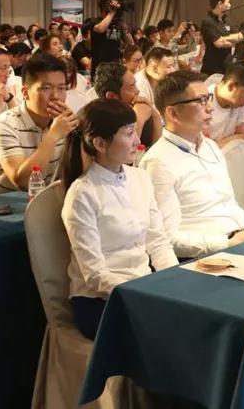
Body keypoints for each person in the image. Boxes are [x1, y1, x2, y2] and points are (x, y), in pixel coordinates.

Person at [60, 99, 177, 340]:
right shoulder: (83, 193)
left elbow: (157, 241)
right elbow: (95, 275)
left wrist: (175, 279)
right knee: (174, 331)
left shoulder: (140, 178)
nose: (137, 140)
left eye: (135, 130)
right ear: (100, 143)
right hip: (99, 301)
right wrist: (143, 294)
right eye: (128, 133)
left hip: (143, 286)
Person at [140, 70, 244, 259]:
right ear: (173, 113)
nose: (210, 108)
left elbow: (228, 203)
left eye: (208, 98)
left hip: (235, 243)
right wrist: (226, 243)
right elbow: (166, 239)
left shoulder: (210, 147)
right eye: (200, 101)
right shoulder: (158, 162)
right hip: (201, 259)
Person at [0, 54, 77, 192]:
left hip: (45, 199)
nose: (55, 96)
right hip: (7, 202)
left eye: (61, 88)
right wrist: (53, 136)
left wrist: (76, 134)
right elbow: (23, 182)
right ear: (25, 93)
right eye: (46, 88)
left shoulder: (63, 123)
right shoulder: (5, 125)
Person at [93, 62, 162, 147]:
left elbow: (157, 147)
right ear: (111, 96)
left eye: (135, 84)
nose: (137, 91)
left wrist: (155, 116)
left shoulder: (135, 108)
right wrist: (138, 120)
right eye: (131, 86)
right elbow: (125, 153)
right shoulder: (101, 124)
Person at [208, 61, 244, 146]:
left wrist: (217, 145)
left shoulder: (241, 104)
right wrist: (234, 140)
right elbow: (200, 148)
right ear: (231, 86)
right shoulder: (203, 101)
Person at [200, 0, 244, 76]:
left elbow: (240, 36)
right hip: (213, 69)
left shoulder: (226, 19)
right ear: (220, 4)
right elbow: (219, 43)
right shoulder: (208, 21)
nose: (230, 5)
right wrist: (232, 42)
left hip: (227, 67)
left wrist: (223, 38)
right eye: (228, 2)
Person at [90, 0, 128, 75]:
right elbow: (100, 29)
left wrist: (125, 30)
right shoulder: (94, 21)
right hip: (101, 67)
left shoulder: (117, 24)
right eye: (113, 6)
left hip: (116, 65)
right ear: (104, 8)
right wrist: (112, 13)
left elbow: (129, 42)